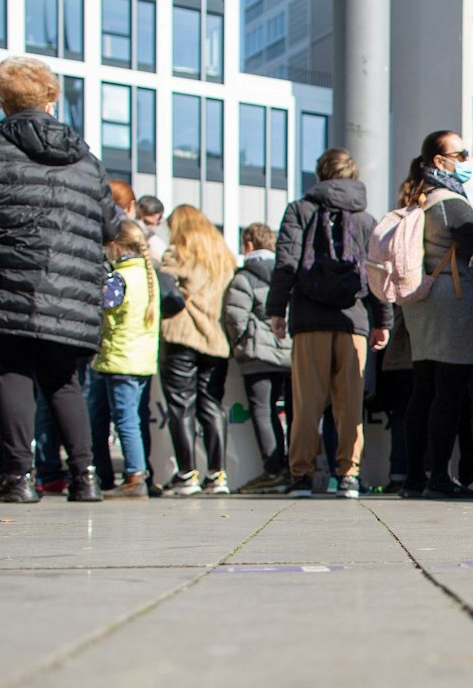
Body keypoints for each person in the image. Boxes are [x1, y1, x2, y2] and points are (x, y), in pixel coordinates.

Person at [0, 57, 119, 504]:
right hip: (73, 291)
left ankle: (18, 479)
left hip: (9, 283)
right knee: (63, 381)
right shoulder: (86, 158)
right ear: (50, 98)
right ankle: (86, 477)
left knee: (11, 374)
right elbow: (111, 227)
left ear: (3, 101)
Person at [267, 147, 393, 500]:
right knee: (350, 403)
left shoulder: (300, 210)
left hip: (309, 320)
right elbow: (378, 274)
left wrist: (277, 309)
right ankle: (348, 475)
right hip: (353, 320)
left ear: (320, 173)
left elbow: (286, 262)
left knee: (307, 403)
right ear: (352, 177)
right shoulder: (366, 219)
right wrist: (383, 320)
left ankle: (302, 476)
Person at [394, 130, 473, 499]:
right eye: (461, 154)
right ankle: (439, 476)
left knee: (423, 390)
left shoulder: (419, 198)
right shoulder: (451, 201)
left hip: (422, 303)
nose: (466, 161)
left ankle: (414, 479)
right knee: (449, 393)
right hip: (452, 302)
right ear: (440, 161)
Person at [156, 205, 237, 495]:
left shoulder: (179, 252)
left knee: (181, 405)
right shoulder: (223, 257)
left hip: (181, 335)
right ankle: (217, 474)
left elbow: (163, 288)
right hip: (215, 340)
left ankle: (187, 474)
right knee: (212, 405)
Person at [88, 220, 159, 498]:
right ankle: (138, 473)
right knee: (134, 418)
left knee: (124, 420)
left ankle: (134, 476)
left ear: (116, 246)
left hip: (120, 359)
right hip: (141, 360)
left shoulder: (119, 279)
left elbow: (103, 313)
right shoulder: (147, 276)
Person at [223, 222, 294, 492]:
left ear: (249, 245)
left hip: (257, 354)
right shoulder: (284, 273)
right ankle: (291, 467)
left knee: (263, 411)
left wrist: (241, 342)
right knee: (288, 411)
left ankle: (274, 469)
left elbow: (234, 316)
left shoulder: (244, 277)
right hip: (286, 351)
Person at [135, 194, 168, 260]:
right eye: (137, 218)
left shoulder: (156, 243)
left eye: (146, 222)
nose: (139, 224)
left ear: (159, 223)